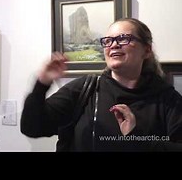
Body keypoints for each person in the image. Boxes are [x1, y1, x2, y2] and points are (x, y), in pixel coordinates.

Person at [21, 17, 182, 151]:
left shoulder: (167, 99)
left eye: (123, 38)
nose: (113, 44)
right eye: (108, 40)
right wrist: (41, 84)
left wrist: (136, 138)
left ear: (146, 50)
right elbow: (32, 127)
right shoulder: (84, 89)